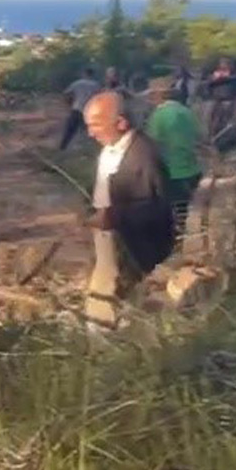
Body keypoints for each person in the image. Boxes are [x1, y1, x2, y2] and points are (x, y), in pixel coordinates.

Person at [81, 91, 175, 331]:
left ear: (121, 123)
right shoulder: (113, 147)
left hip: (132, 246)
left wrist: (114, 216)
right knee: (104, 293)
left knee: (122, 300)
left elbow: (158, 208)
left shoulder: (143, 156)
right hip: (111, 239)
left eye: (96, 125)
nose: (90, 133)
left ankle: (114, 344)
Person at [144, 77, 203, 241]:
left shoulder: (158, 116)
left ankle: (177, 243)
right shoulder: (186, 111)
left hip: (171, 170)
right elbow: (200, 136)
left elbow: (152, 143)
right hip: (192, 167)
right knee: (190, 209)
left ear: (158, 96)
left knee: (175, 211)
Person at [60, 68, 101, 150]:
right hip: (89, 111)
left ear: (84, 74)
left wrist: (69, 103)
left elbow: (66, 93)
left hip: (77, 109)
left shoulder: (77, 83)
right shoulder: (96, 85)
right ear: (92, 75)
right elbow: (100, 97)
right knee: (92, 131)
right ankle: (94, 149)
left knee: (70, 130)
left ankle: (63, 147)